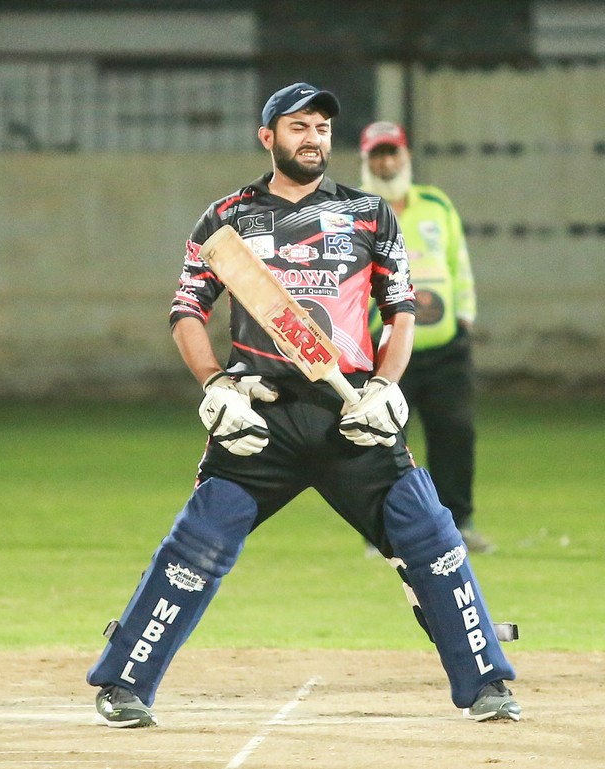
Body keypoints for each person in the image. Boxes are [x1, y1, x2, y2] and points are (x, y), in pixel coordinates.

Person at [86, 83, 520, 728]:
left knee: (429, 533)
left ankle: (486, 682)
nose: (313, 137)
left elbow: (400, 311)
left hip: (353, 415)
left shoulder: (369, 214)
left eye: (321, 127)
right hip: (259, 417)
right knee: (197, 544)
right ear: (268, 137)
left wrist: (386, 386)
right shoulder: (227, 218)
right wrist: (214, 385)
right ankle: (124, 682)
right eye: (298, 126)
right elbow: (186, 311)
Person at [359, 121, 491, 554]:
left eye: (391, 152)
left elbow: (458, 263)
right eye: (377, 155)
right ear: (365, 161)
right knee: (382, 441)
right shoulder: (356, 212)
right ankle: (382, 532)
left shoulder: (436, 205)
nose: (386, 162)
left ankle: (459, 524)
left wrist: (465, 317)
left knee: (455, 434)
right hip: (385, 350)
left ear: (406, 156)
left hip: (444, 349)